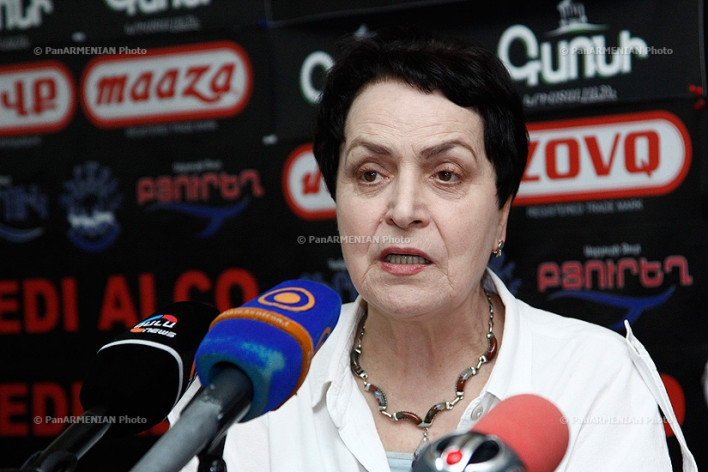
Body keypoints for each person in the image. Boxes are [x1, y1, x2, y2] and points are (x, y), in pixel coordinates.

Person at [170, 28, 696, 471]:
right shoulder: (250, 382)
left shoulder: (593, 378)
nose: (403, 210)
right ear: (335, 198)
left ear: (502, 211)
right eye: (370, 174)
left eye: (446, 174)